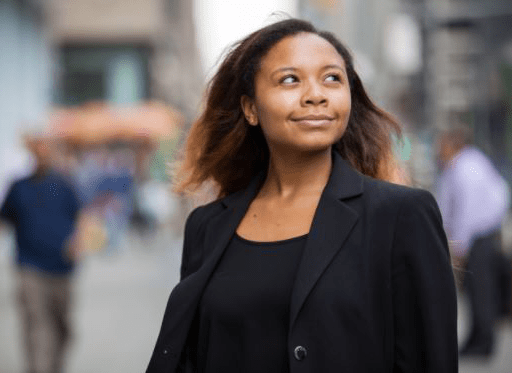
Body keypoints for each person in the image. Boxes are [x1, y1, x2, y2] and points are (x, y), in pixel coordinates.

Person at [147, 18, 458, 373]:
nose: (316, 94)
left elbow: (431, 360)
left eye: (332, 78)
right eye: (290, 79)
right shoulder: (206, 227)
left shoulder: (402, 215)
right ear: (250, 108)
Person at [0, 134, 82, 373]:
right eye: (39, 151)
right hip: (29, 267)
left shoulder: (65, 184)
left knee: (63, 329)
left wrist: (76, 243)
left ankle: (54, 367)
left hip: (62, 269)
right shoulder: (18, 187)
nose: (43, 156)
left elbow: (81, 219)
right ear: (32, 154)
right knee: (35, 324)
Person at [435, 124, 512, 357]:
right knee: (474, 291)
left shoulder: (466, 165)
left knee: (481, 292)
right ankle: (475, 339)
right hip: (478, 235)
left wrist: (460, 244)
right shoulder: (462, 164)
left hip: (480, 236)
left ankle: (484, 343)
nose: (439, 150)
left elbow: (466, 211)